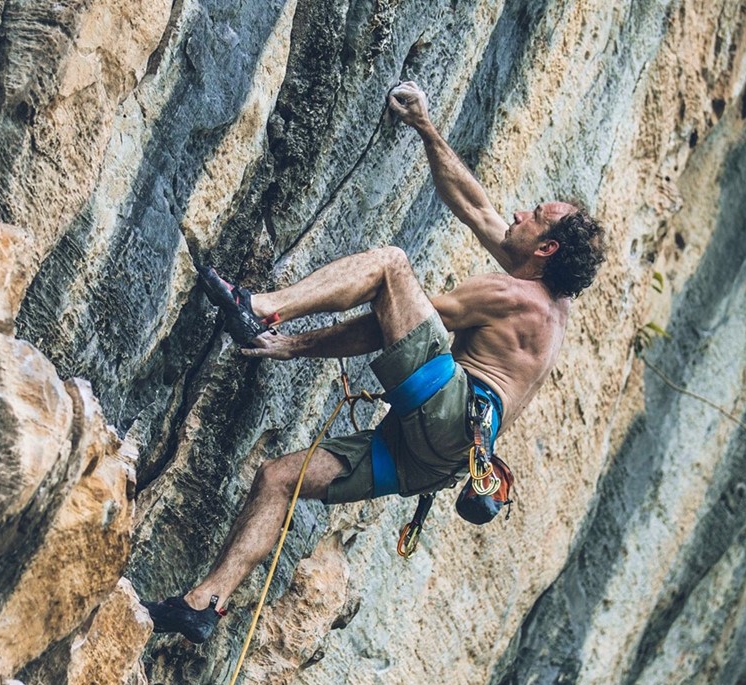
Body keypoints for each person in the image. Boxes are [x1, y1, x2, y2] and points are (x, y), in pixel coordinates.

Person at [141, 82, 607, 642]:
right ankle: (203, 605)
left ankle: (261, 307)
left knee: (390, 265)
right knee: (278, 479)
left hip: (448, 411)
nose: (519, 211)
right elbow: (476, 207)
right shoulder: (546, 292)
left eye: (534, 215)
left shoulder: (514, 298)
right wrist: (425, 127)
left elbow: (389, 323)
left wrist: (293, 343)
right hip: (432, 459)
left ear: (547, 248)